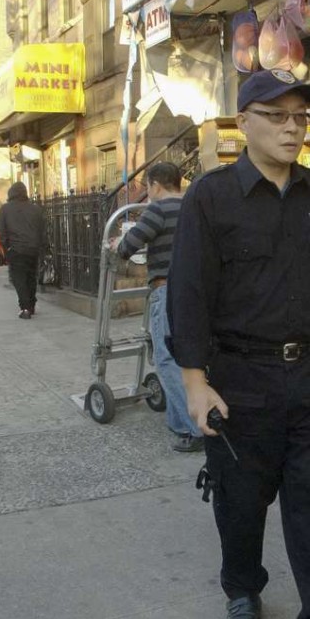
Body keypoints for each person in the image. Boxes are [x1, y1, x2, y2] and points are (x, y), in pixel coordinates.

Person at [167, 69, 310, 619]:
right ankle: (242, 586)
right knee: (241, 505)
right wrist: (195, 384)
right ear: (244, 122)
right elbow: (189, 292)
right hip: (241, 383)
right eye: (277, 117)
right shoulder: (211, 197)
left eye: (302, 117)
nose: (293, 128)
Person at [115, 161, 203, 452]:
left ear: (155, 185)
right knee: (194, 358)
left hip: (166, 290)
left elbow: (130, 245)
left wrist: (118, 243)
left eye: (148, 187)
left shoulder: (158, 209)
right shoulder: (195, 205)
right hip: (197, 292)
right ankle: (199, 418)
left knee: (167, 360)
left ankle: (192, 429)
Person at [0, 181, 45, 319]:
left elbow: (2, 232)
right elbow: (42, 229)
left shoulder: (5, 209)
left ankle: (25, 308)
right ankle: (31, 304)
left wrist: (7, 250)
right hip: (33, 248)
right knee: (31, 277)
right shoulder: (35, 209)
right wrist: (40, 246)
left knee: (19, 279)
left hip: (16, 249)